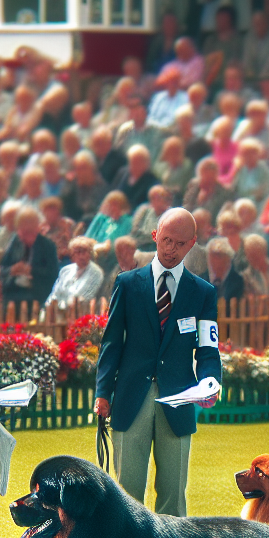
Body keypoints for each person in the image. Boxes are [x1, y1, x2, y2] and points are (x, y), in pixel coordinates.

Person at [94, 209, 222, 518]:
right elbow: (112, 343)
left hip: (179, 401)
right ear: (154, 236)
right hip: (129, 398)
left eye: (179, 243)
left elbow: (208, 347)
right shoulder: (127, 284)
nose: (170, 248)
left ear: (192, 244)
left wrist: (210, 381)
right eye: (165, 240)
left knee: (173, 494)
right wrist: (102, 393)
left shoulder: (203, 293)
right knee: (127, 493)